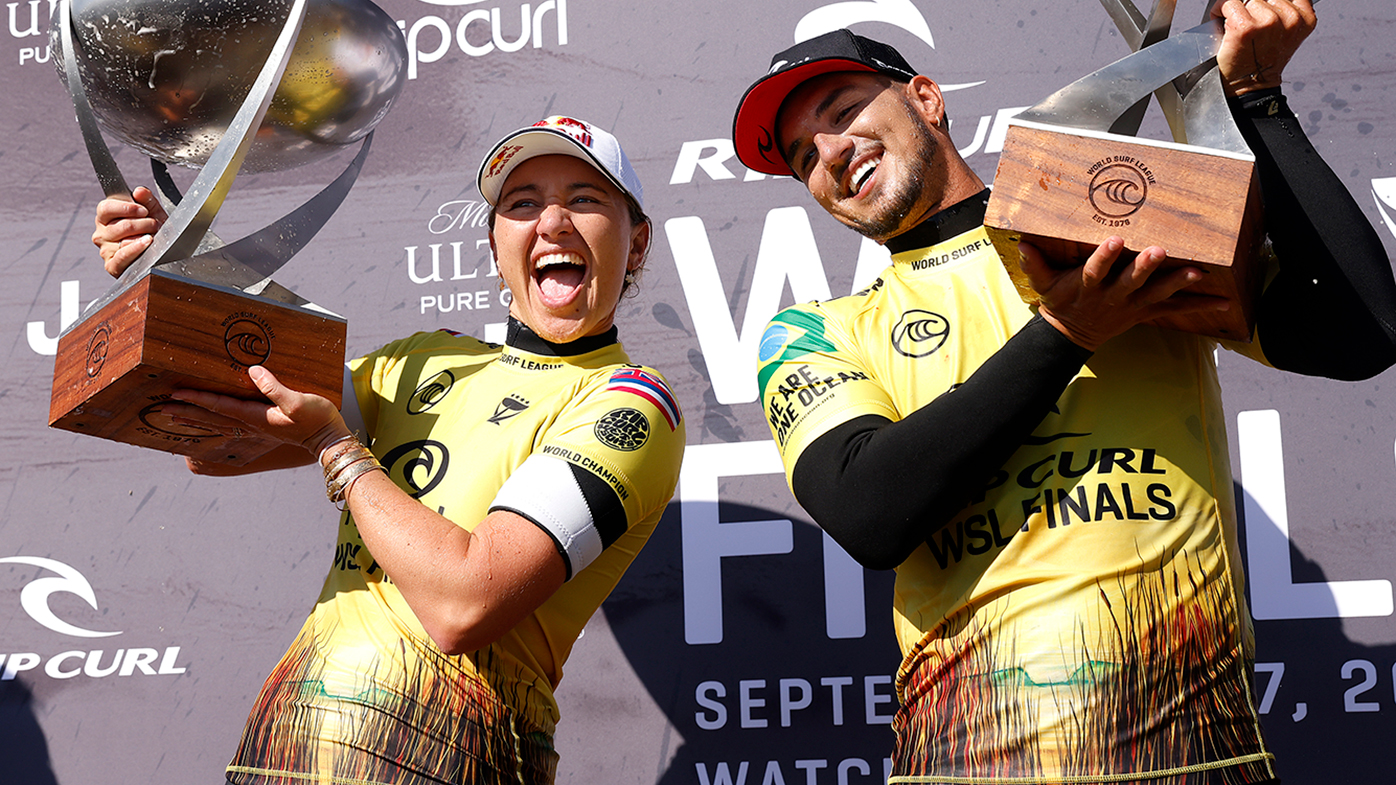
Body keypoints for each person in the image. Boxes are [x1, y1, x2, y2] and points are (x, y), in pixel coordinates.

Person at [731, 2, 1396, 782]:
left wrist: (1255, 101)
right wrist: (1066, 332)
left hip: (1195, 757)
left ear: (926, 97)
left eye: (844, 112)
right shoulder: (814, 332)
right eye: (803, 154)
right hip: (964, 762)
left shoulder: (1118, 231)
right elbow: (871, 512)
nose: (832, 152)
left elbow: (1360, 332)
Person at [93, 116, 685, 784]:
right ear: (495, 247)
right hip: (282, 747)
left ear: (636, 244)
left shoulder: (630, 404)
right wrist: (170, 279)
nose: (551, 223)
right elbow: (222, 444)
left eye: (583, 199)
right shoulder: (420, 358)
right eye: (522, 203)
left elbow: (468, 602)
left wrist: (335, 448)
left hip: (462, 756)